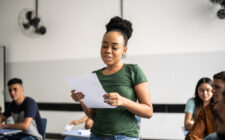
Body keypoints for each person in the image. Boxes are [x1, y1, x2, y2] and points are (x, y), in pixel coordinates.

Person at [71, 16, 153, 140]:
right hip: (97, 136)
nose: (108, 51)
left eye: (114, 47)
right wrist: (82, 100)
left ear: (124, 50)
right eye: (104, 46)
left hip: (124, 136)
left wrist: (123, 101)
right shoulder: (95, 75)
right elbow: (93, 115)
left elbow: (148, 112)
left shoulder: (133, 70)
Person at [185, 71, 225, 140]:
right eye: (213, 87)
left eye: (217, 87)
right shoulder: (207, 111)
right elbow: (192, 136)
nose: (213, 91)